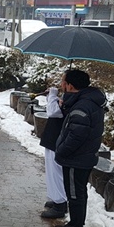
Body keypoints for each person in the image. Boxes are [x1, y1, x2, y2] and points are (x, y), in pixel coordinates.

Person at [51, 69, 106, 227]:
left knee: (76, 196)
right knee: (77, 194)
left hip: (77, 159)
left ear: (70, 86)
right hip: (82, 157)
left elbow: (76, 136)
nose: (61, 85)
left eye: (63, 82)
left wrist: (61, 151)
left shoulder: (83, 106)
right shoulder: (86, 101)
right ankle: (74, 225)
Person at [39, 87, 67, 219]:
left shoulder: (71, 98)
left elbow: (53, 112)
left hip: (57, 138)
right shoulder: (68, 96)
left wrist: (53, 95)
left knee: (56, 172)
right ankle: (57, 199)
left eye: (63, 80)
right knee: (52, 171)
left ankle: (60, 204)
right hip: (53, 138)